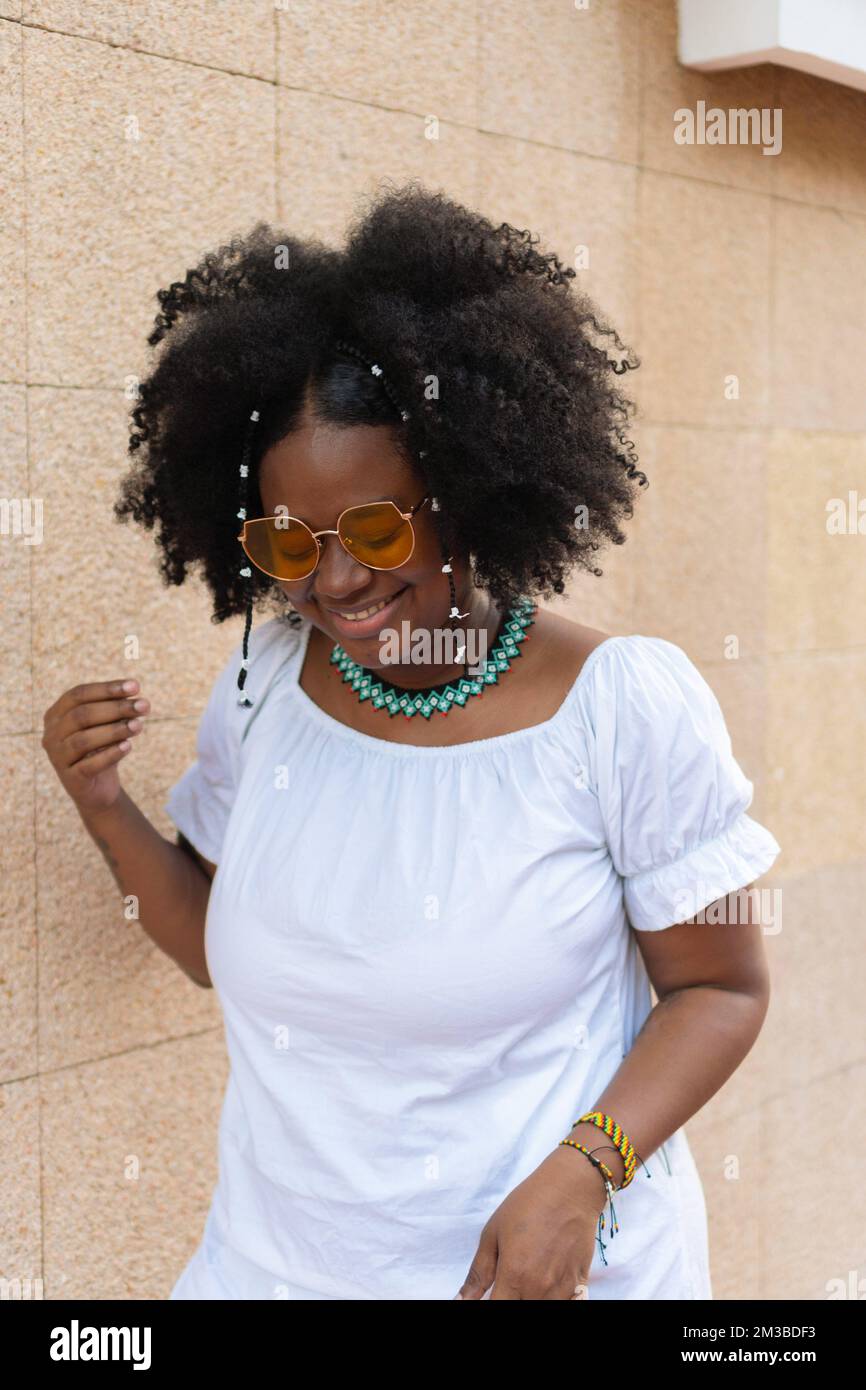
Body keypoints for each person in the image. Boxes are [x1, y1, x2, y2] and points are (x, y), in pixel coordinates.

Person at [42, 181, 781, 1300]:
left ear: (465, 490)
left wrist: (584, 1173)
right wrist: (101, 800)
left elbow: (722, 989)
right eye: (288, 542)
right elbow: (212, 949)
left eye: (374, 526)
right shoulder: (260, 686)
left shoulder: (621, 706)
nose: (334, 579)